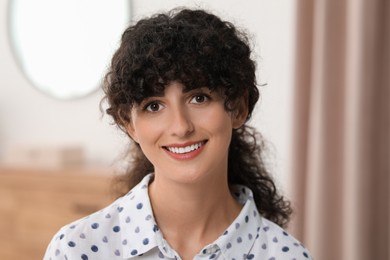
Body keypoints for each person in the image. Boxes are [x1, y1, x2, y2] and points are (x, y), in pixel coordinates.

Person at [44, 8, 312, 260]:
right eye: (154, 106)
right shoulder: (76, 250)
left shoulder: (287, 255)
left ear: (238, 108)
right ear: (130, 124)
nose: (180, 127)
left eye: (199, 98)